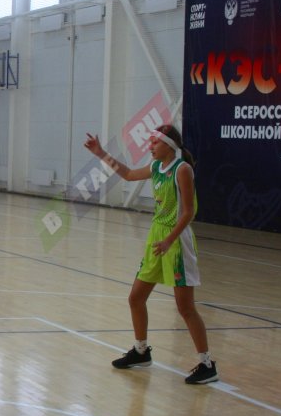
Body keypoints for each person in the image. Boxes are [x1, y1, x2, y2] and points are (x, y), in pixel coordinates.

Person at [83, 126, 218, 385]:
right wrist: (100, 153)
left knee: (185, 307)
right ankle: (141, 351)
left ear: (169, 145)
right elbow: (128, 174)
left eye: (155, 142)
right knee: (135, 298)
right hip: (157, 239)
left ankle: (207, 364)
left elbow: (189, 211)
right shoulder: (156, 167)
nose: (150, 146)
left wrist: (169, 240)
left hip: (176, 243)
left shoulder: (182, 170)